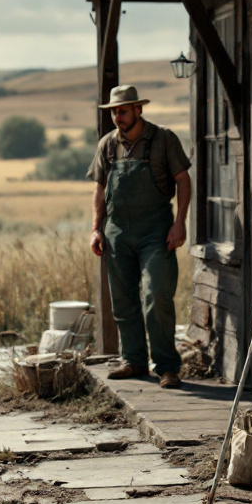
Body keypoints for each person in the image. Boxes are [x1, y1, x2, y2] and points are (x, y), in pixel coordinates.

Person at [88, 84, 191, 389]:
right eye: (114, 112)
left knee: (157, 294)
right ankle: (133, 360)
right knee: (122, 300)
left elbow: (183, 180)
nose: (117, 117)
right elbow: (100, 189)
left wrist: (180, 223)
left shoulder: (163, 140)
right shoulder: (107, 145)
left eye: (122, 111)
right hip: (116, 231)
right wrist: (96, 228)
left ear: (138, 109)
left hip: (156, 230)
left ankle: (167, 366)